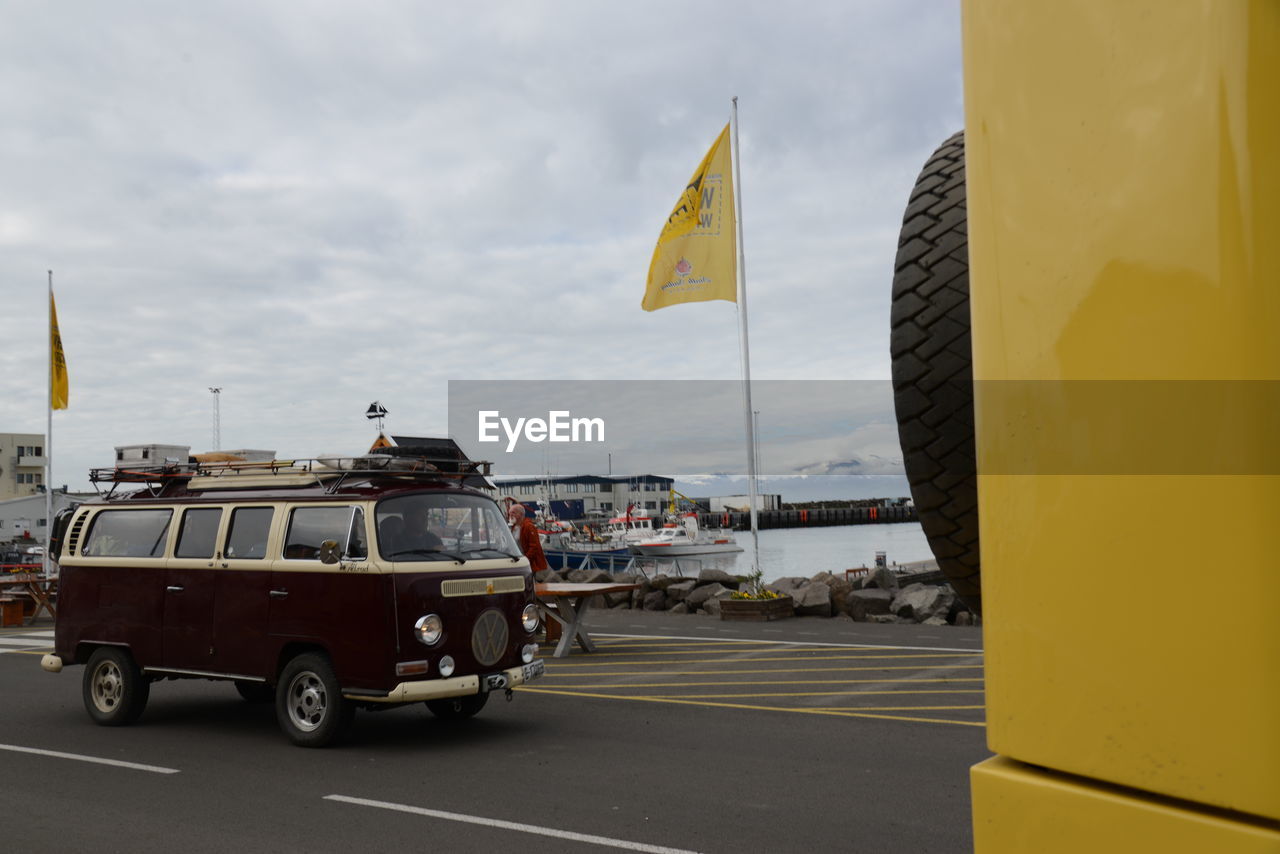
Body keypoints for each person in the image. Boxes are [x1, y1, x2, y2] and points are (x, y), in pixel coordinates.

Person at [507, 503, 548, 573]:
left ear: (521, 514)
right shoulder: (512, 527)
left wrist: (525, 560)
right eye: (509, 513)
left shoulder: (529, 527)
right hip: (517, 563)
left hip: (528, 565)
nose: (510, 515)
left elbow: (534, 547)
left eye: (513, 512)